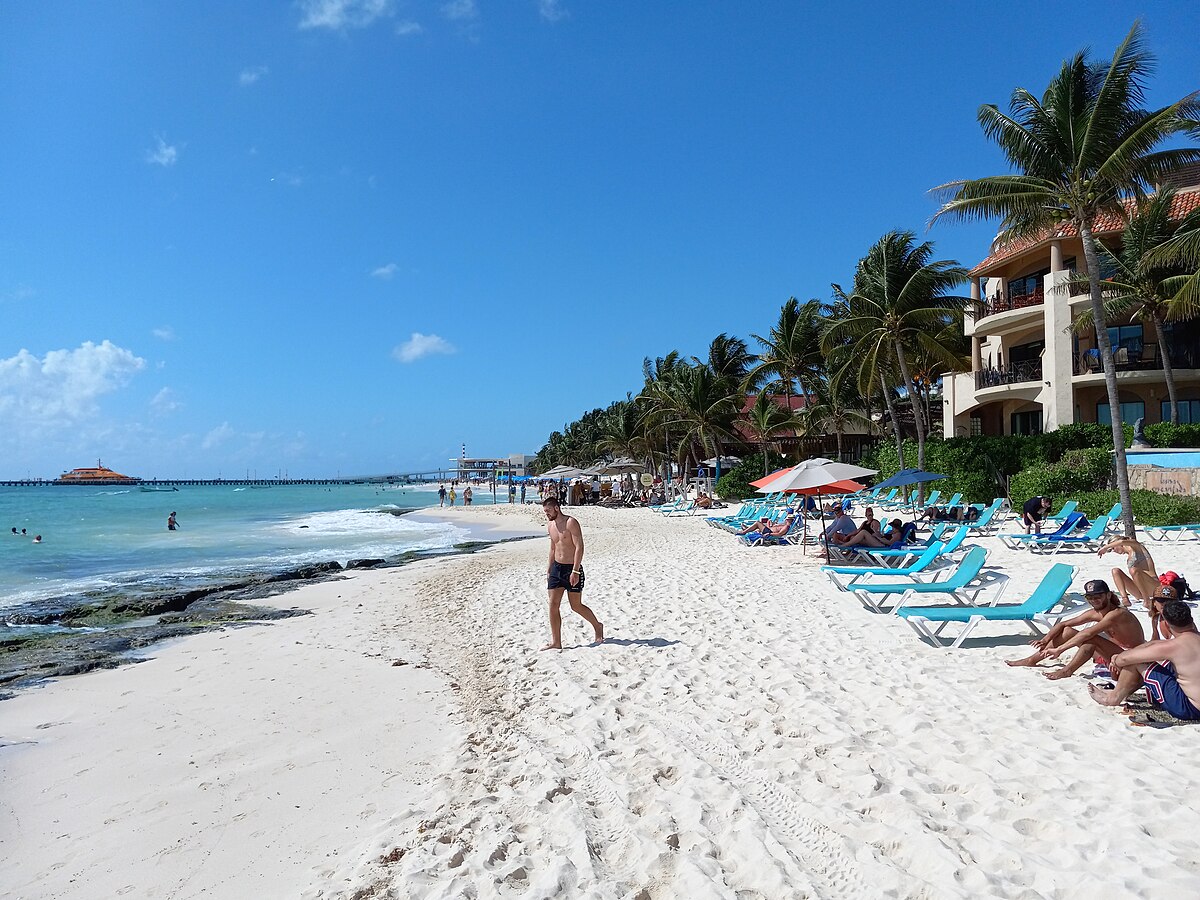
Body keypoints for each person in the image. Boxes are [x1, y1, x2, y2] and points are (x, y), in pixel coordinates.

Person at [1006, 578, 1144, 679]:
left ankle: (1067, 671)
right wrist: (1045, 639)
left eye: (1098, 596)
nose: (1094, 600)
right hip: (1110, 653)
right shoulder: (1095, 613)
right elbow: (1063, 624)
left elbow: (1088, 632)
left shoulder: (1117, 614)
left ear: (1108, 595)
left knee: (1091, 640)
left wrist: (1059, 650)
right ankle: (1032, 660)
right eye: (1090, 597)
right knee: (1068, 631)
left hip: (1130, 655)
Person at [1090, 599, 1200, 720]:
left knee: (1138, 661)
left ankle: (1113, 698)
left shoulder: (1173, 647)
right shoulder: (1190, 640)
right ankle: (1123, 692)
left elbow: (1124, 660)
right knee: (1167, 663)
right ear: (1191, 620)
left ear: (1167, 625)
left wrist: (1115, 659)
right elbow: (1156, 644)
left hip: (1189, 709)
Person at [541, 497, 603, 650]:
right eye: (545, 512)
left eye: (548, 511)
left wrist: (575, 570)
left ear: (556, 508)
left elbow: (579, 547)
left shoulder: (571, 523)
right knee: (553, 605)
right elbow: (553, 548)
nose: (546, 514)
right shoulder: (550, 525)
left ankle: (597, 626)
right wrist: (549, 568)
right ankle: (556, 642)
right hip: (557, 568)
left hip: (572, 568)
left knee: (576, 606)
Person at [1097, 535, 1158, 606]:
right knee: (1115, 571)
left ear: (1118, 544)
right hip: (1139, 590)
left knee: (1133, 570)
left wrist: (1105, 547)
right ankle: (1125, 598)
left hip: (1153, 585)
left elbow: (1122, 541)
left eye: (1113, 548)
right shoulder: (1129, 557)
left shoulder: (1136, 546)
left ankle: (1147, 600)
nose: (1114, 551)